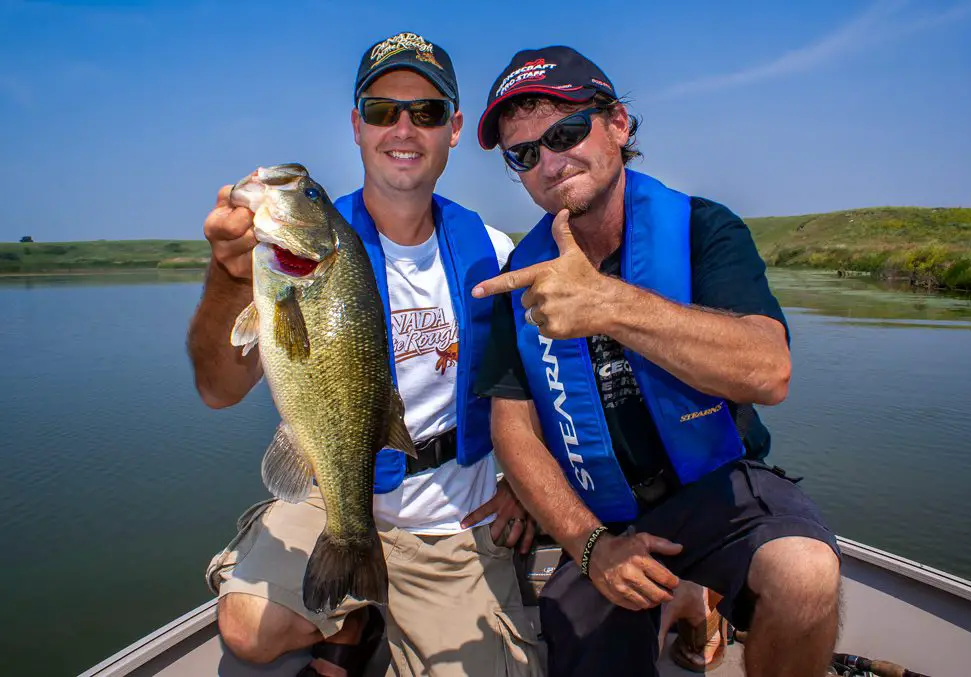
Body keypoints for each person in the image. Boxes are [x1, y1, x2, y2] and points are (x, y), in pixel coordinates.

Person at [472, 45, 842, 677]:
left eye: (564, 131)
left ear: (617, 123)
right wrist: (590, 547)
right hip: (604, 515)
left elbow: (768, 371)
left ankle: (703, 592)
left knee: (805, 575)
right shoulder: (520, 277)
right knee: (578, 647)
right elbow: (514, 430)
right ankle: (688, 601)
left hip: (718, 489)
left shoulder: (704, 230)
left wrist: (610, 304)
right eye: (524, 153)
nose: (549, 162)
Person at [187, 31, 544, 677]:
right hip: (332, 490)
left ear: (454, 128)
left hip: (449, 516)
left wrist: (524, 481)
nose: (403, 128)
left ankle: (358, 607)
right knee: (247, 629)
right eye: (382, 110)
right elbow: (216, 389)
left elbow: (537, 381)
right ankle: (351, 615)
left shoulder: (492, 250)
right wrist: (227, 273)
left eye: (427, 112)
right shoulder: (290, 264)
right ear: (356, 125)